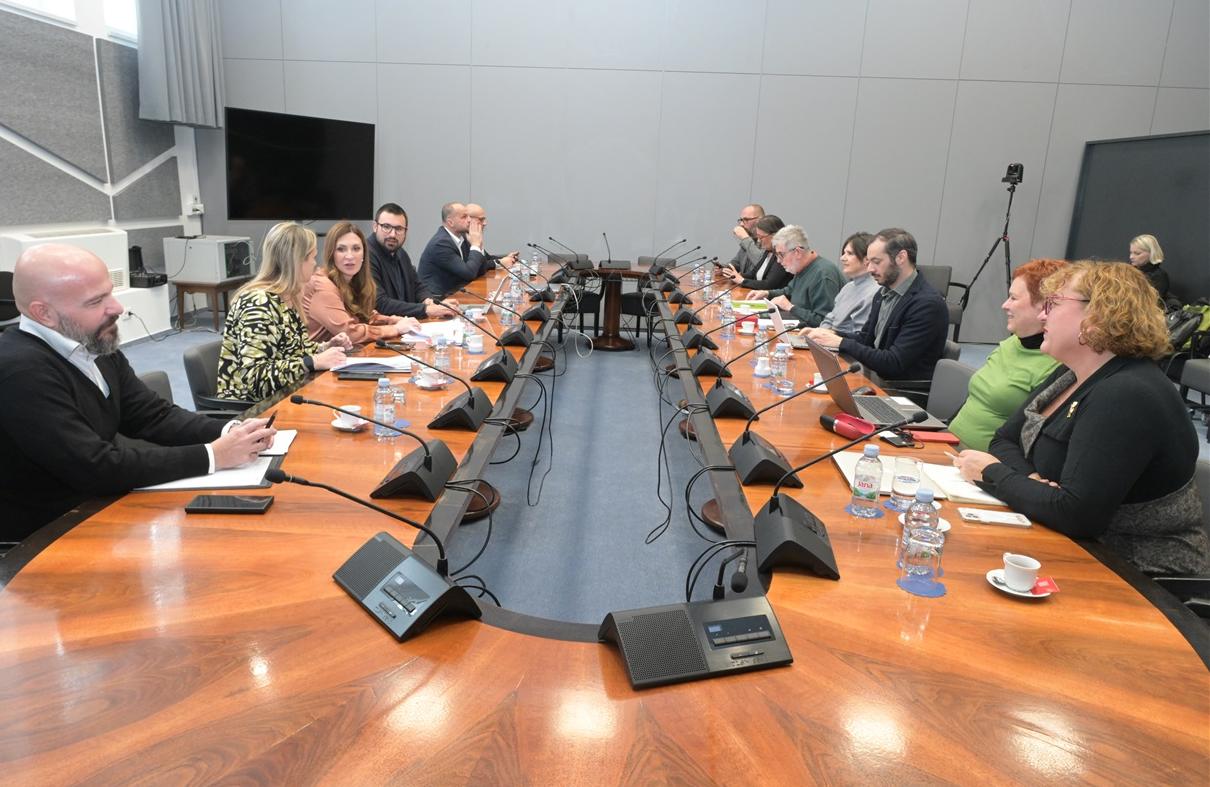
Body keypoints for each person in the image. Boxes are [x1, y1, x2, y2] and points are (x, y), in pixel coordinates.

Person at [0, 244, 275, 541]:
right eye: (96, 301)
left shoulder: (93, 343)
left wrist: (230, 430)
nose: (117, 308)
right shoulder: (20, 371)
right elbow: (94, 466)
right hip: (47, 536)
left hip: (100, 505)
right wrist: (213, 455)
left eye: (110, 293)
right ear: (44, 313)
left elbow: (152, 416)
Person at [956, 262, 1206, 576]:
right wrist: (1032, 484)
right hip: (1070, 544)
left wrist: (993, 473)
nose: (1043, 315)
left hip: (1138, 575)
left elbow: (1076, 514)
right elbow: (1004, 439)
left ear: (1098, 315)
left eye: (1053, 304)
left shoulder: (1127, 394)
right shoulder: (1072, 373)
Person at [217, 222, 352, 403]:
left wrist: (324, 348)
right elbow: (255, 378)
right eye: (312, 257)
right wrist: (313, 361)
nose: (315, 264)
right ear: (296, 261)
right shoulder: (258, 304)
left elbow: (294, 352)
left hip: (288, 394)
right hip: (253, 408)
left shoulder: (287, 298)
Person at [948, 259, 1068, 451]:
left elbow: (1029, 440)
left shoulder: (1057, 366)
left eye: (1013, 298)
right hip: (949, 441)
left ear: (1045, 305)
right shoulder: (1013, 342)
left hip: (984, 459)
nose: (1005, 305)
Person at [805, 228, 948, 384]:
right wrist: (831, 333)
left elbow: (893, 363)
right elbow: (865, 339)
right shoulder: (883, 294)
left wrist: (841, 343)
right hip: (876, 378)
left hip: (899, 389)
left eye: (876, 262)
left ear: (901, 258)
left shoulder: (927, 304)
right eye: (869, 261)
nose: (870, 269)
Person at [303, 221, 421, 345]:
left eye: (356, 249)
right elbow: (349, 333)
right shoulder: (322, 286)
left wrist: (392, 320)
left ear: (364, 254)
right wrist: (395, 329)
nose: (350, 256)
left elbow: (365, 316)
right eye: (341, 249)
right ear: (331, 254)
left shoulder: (353, 280)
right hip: (321, 356)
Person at [367, 202, 457, 320]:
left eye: (399, 229)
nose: (392, 234)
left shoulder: (400, 253)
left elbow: (417, 286)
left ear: (405, 231)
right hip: (382, 326)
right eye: (386, 227)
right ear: (375, 227)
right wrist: (426, 310)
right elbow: (380, 303)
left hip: (406, 324)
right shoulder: (366, 255)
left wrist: (430, 302)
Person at [748, 225, 843, 328]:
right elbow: (790, 291)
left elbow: (824, 322)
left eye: (781, 255)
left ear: (797, 252)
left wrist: (790, 307)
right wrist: (767, 293)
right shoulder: (802, 267)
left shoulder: (823, 275)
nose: (778, 261)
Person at [418, 202, 506, 297]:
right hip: (439, 298)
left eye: (468, 216)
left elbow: (480, 270)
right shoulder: (441, 244)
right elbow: (469, 273)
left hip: (456, 292)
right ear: (450, 222)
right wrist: (475, 244)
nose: (469, 220)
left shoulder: (462, 237)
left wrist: (478, 244)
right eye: (464, 217)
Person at [812, 232, 879, 334]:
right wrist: (818, 333)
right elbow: (830, 319)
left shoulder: (874, 293)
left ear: (867, 259)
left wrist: (828, 336)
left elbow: (859, 336)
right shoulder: (848, 287)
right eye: (844, 253)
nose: (842, 258)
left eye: (850, 253)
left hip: (841, 342)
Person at [718, 215, 791, 291]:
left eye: (761, 237)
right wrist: (735, 274)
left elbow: (768, 285)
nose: (758, 241)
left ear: (774, 236)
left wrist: (742, 280)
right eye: (758, 237)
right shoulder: (768, 251)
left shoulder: (782, 255)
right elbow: (753, 274)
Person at [466, 203, 520, 270]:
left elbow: (487, 258)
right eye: (481, 219)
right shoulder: (461, 239)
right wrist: (499, 263)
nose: (485, 223)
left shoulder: (474, 236)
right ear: (468, 219)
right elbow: (475, 267)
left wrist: (507, 258)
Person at [727, 203, 766, 275]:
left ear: (760, 220)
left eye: (746, 219)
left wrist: (745, 237)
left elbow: (762, 265)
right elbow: (736, 263)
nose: (741, 224)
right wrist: (723, 268)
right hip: (744, 282)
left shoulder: (769, 241)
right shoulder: (750, 240)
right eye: (741, 220)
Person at [1128, 233, 1169, 302]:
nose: (1131, 257)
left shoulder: (1159, 276)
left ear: (1151, 253)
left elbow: (1149, 302)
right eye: (1131, 252)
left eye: (1137, 253)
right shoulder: (1128, 272)